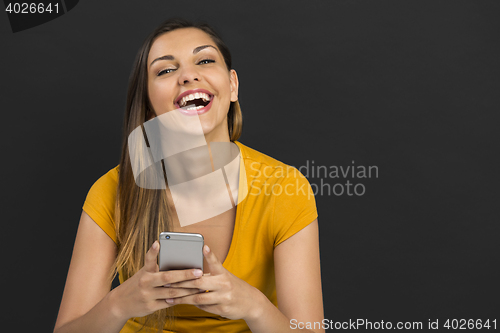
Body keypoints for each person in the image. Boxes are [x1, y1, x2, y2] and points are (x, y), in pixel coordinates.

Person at [53, 18, 324, 333]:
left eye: (205, 60)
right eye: (165, 70)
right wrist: (121, 303)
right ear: (150, 104)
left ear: (232, 85)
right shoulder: (112, 190)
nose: (188, 75)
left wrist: (253, 305)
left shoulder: (285, 187)